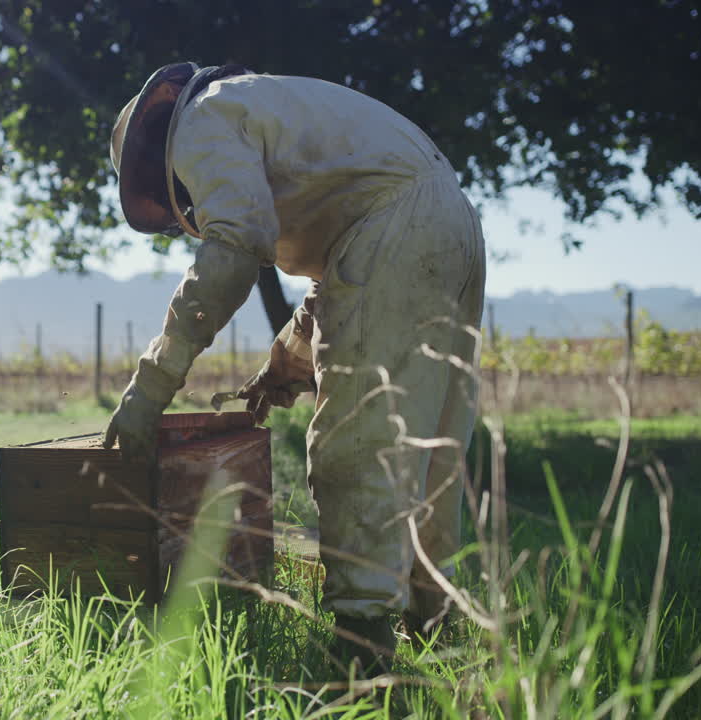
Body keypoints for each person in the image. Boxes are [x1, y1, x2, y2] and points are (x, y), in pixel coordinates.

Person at [102, 63, 486, 677]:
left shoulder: (198, 126)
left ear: (154, 155)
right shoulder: (260, 107)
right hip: (452, 219)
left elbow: (233, 250)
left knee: (356, 443)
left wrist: (150, 386)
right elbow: (343, 271)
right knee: (426, 445)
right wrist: (286, 361)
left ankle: (362, 652)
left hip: (400, 224)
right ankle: (435, 627)